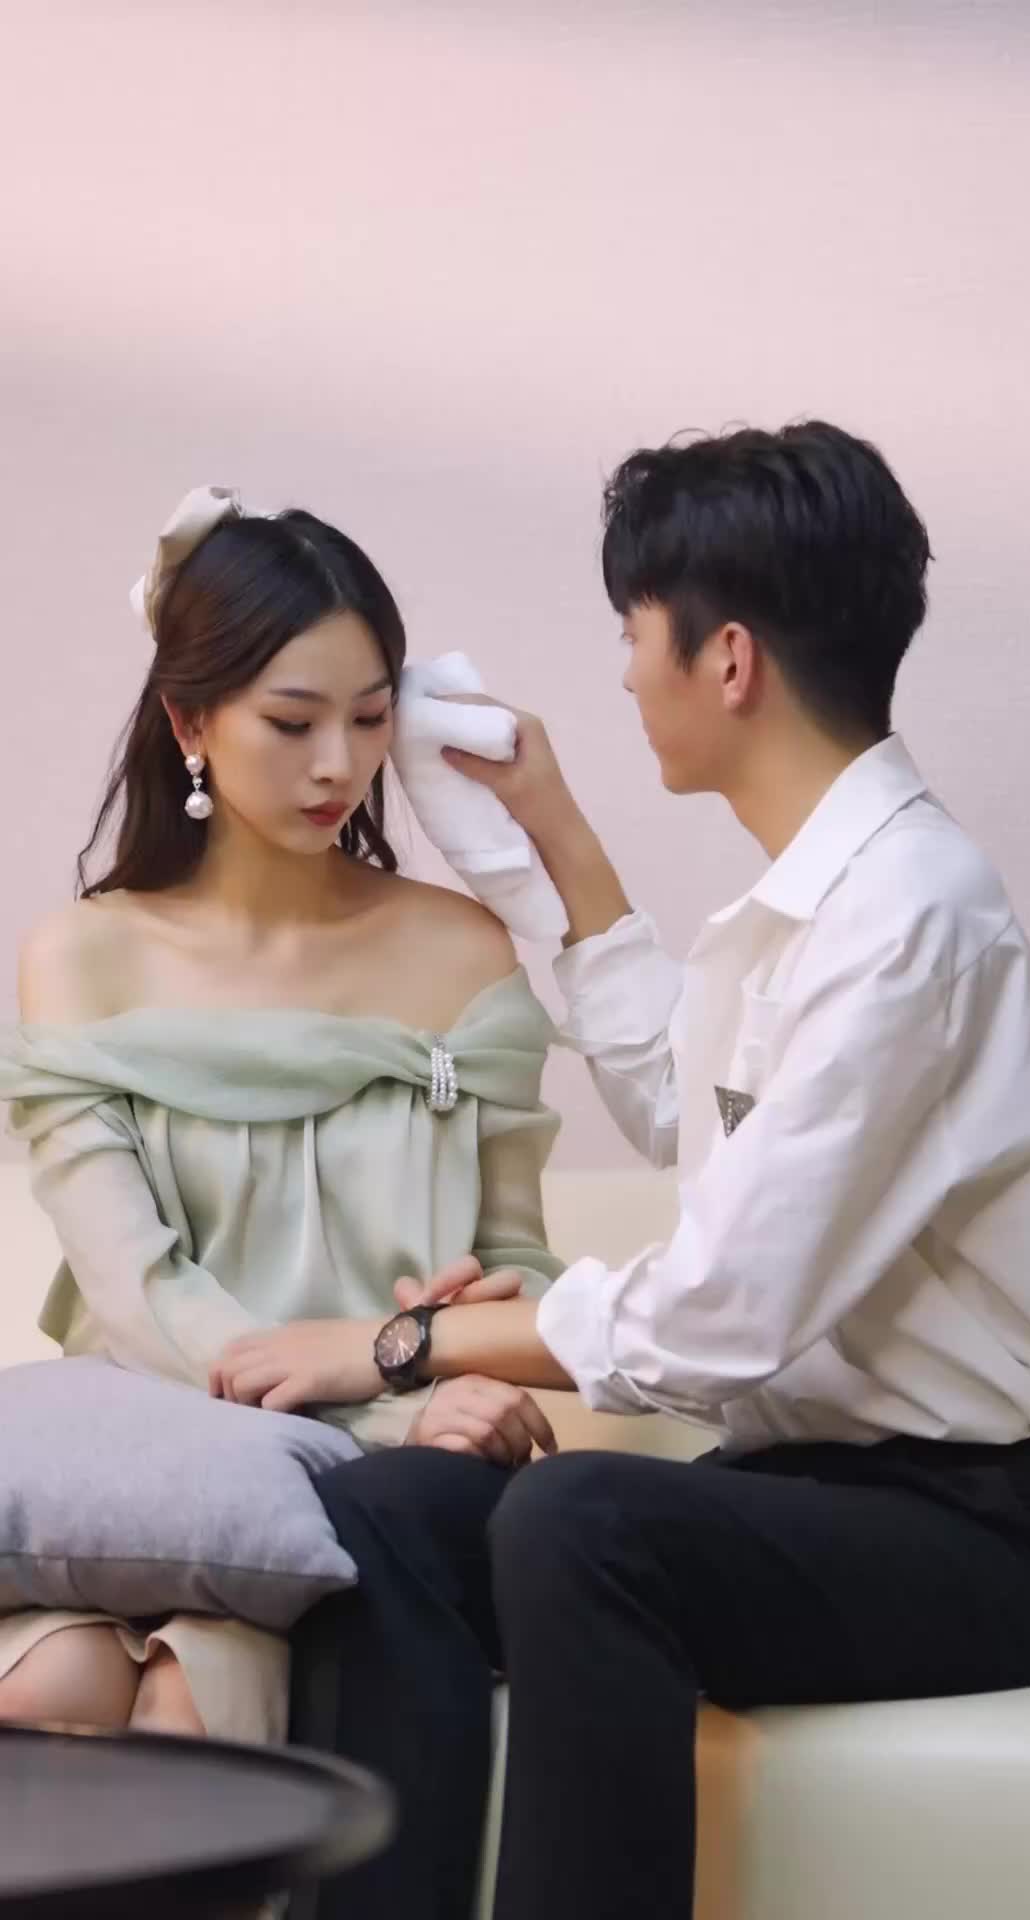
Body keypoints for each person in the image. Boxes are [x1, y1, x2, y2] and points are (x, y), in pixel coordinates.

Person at [243, 422, 1030, 1920]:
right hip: (818, 1490)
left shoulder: (911, 918)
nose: (628, 675)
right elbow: (682, 1103)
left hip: (997, 1527)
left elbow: (722, 1314)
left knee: (583, 1523)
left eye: (636, 634)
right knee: (382, 1516)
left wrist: (401, 1342)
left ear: (728, 659)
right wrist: (547, 826)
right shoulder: (817, 902)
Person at [0, 487, 562, 1745]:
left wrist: (467, 1349)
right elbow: (135, 1294)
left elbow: (521, 1266)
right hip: (152, 1465)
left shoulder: (460, 952)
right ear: (188, 720)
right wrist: (392, 1391)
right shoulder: (83, 956)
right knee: (50, 1689)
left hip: (390, 1494)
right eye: (293, 721)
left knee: (190, 1699)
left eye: (370, 718)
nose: (338, 767)